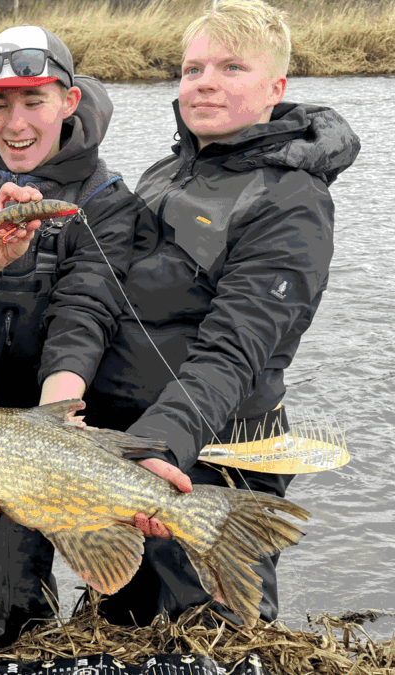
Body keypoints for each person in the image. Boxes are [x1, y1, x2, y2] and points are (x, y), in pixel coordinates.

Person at [83, 0, 360, 626]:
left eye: (231, 67)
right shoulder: (165, 172)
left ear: (275, 88)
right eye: (191, 69)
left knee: (217, 634)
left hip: (214, 456)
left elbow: (235, 350)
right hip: (128, 452)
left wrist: (158, 446)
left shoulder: (292, 200)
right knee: (128, 626)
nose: (203, 82)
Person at [0, 25, 139, 647]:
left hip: (38, 414)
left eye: (32, 101)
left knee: (16, 602)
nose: (13, 123)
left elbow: (86, 308)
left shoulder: (108, 199)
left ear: (69, 101)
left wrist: (57, 414)